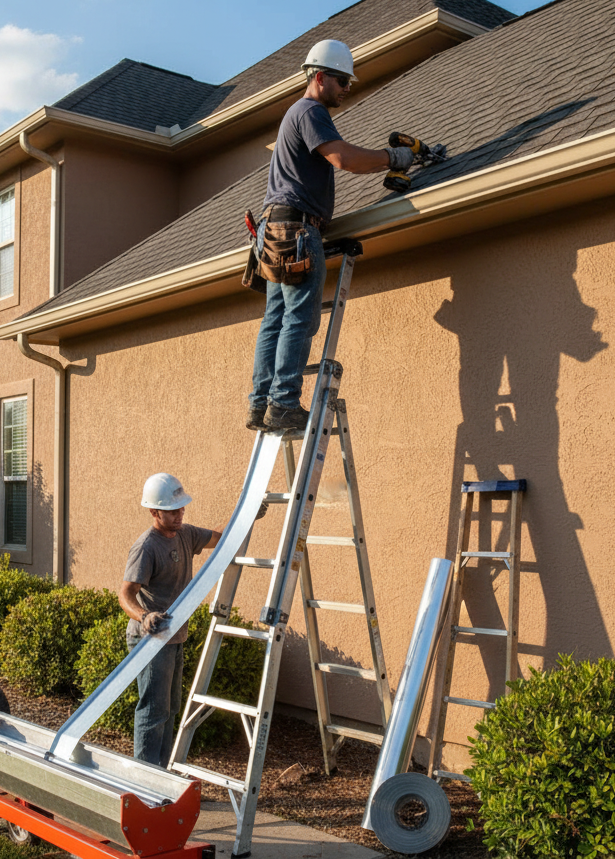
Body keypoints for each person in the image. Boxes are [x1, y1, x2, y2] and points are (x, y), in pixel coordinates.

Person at [246, 39, 415, 432]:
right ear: (319, 77)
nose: (346, 88)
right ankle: (284, 403)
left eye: (349, 82)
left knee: (275, 320)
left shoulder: (295, 114)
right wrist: (394, 158)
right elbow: (344, 159)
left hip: (272, 232)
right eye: (341, 80)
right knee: (299, 320)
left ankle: (260, 404)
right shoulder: (310, 111)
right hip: (296, 230)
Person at [118, 472, 223, 767]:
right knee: (153, 711)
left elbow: (220, 538)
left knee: (171, 708)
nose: (179, 514)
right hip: (150, 638)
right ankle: (145, 778)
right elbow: (125, 595)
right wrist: (144, 615)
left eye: (181, 508)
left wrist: (247, 511)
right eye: (172, 510)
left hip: (174, 636)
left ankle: (160, 772)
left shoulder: (186, 534)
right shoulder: (146, 547)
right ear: (154, 512)